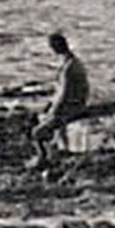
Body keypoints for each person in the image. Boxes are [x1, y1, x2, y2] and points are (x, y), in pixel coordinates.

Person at [29, 32, 90, 170]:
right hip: (73, 104)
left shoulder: (68, 68)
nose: (52, 49)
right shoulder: (72, 62)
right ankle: (52, 153)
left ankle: (43, 159)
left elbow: (64, 94)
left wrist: (52, 111)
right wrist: (48, 106)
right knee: (39, 118)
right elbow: (61, 92)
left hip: (71, 108)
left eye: (52, 46)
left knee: (36, 133)